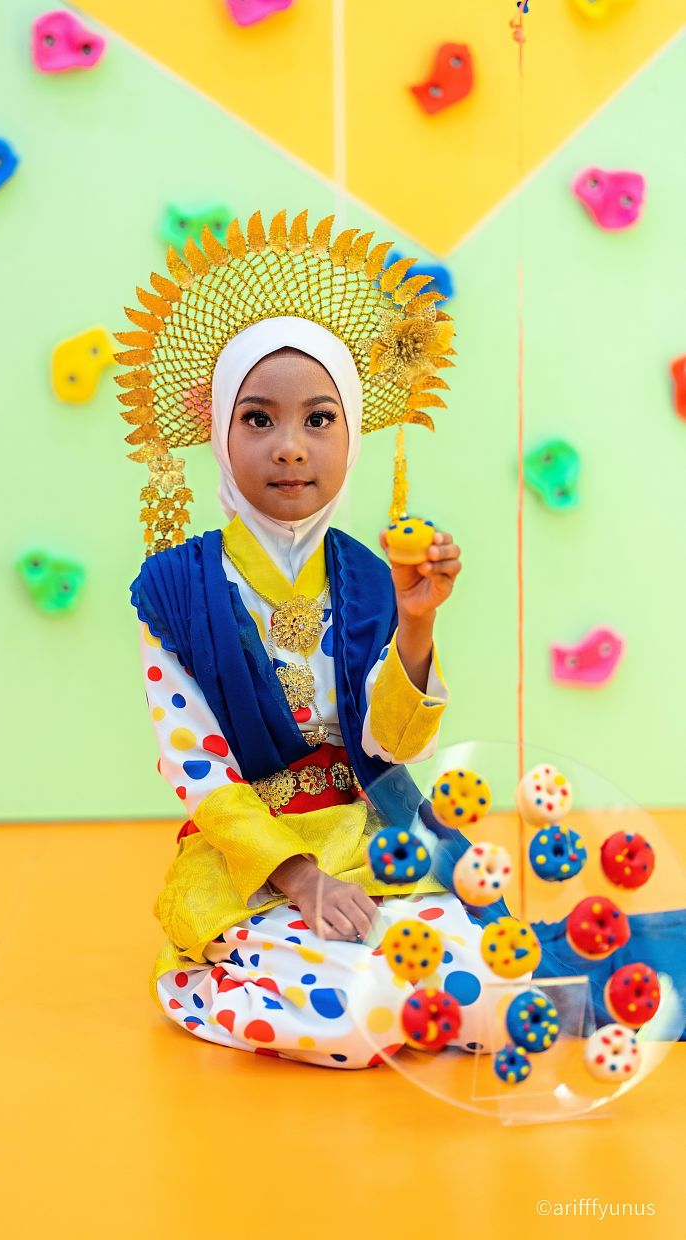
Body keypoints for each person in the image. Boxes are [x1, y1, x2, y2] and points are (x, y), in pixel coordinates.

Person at [121, 210, 686, 1068]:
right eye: (258, 419)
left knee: (455, 973)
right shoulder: (174, 590)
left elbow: (391, 746)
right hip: (252, 867)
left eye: (318, 420)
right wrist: (302, 880)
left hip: (372, 839)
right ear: (218, 433)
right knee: (340, 1014)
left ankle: (520, 998)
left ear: (352, 435)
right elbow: (196, 767)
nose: (288, 449)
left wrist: (417, 620)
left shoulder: (370, 574)